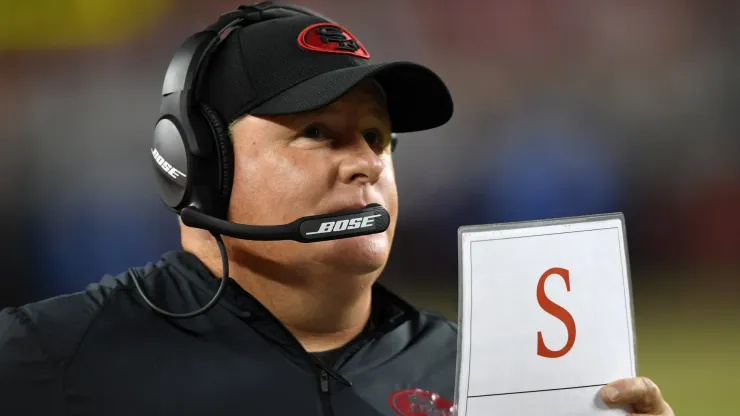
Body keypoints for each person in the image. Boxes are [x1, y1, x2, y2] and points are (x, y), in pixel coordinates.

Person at [0, 2, 674, 415]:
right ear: (197, 162)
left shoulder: (475, 375)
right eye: (317, 133)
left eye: (377, 137)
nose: (365, 162)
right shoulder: (62, 353)